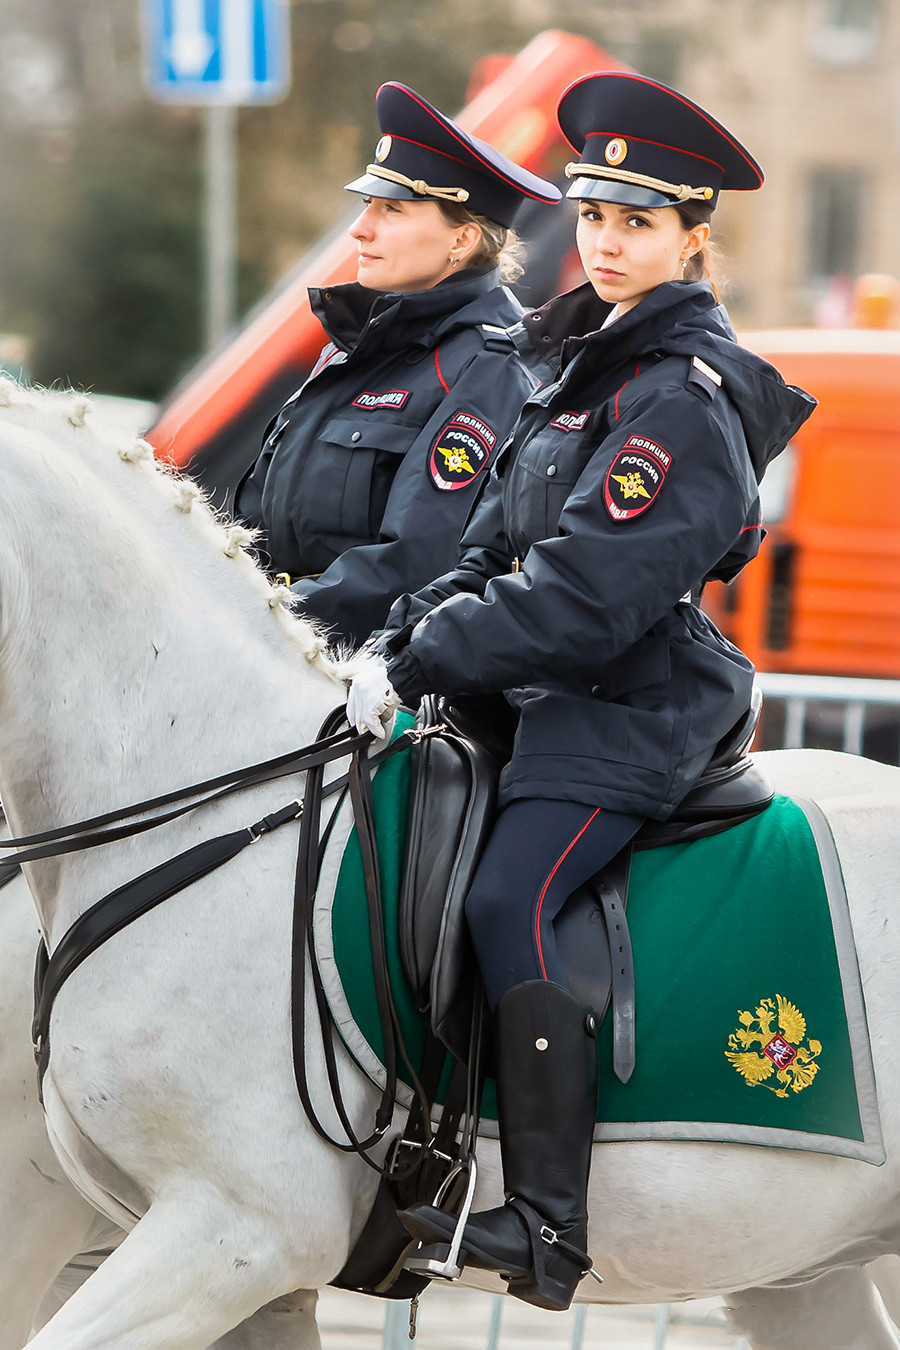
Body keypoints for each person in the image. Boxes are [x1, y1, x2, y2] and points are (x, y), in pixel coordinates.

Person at [348, 73, 817, 1310]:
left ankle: (547, 1228)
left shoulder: (687, 396)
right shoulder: (584, 366)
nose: (606, 242)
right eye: (594, 217)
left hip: (628, 705)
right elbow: (490, 546)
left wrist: (420, 658)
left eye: (638, 223)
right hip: (535, 696)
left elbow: (584, 596)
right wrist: (397, 629)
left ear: (691, 238)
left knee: (514, 895)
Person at [234, 83, 560, 646]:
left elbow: (420, 564)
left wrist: (260, 623)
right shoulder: (352, 347)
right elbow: (254, 521)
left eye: (392, 210)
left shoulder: (490, 366)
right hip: (279, 660)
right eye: (367, 206)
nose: (361, 228)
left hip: (360, 684)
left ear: (461, 240)